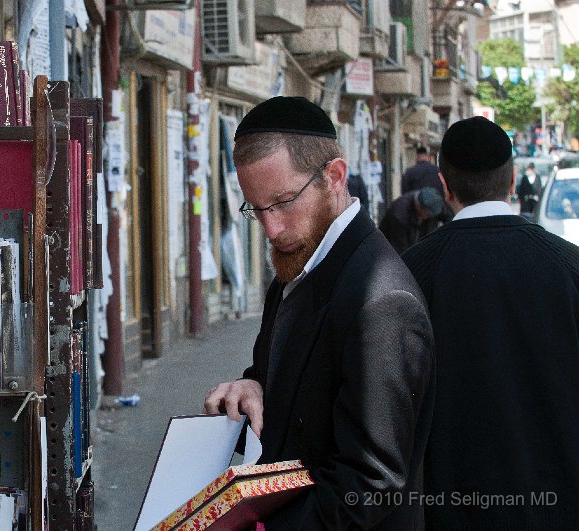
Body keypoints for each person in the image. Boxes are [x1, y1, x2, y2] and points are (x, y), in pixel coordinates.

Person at [203, 96, 435, 529]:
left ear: (335, 176)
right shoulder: (301, 265)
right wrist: (252, 385)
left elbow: (369, 484)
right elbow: (290, 381)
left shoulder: (382, 302)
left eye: (284, 202)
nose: (272, 229)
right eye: (257, 209)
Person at [402, 116, 579, 529]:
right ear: (514, 180)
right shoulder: (568, 266)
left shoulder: (409, 272)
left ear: (445, 187)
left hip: (450, 510)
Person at [379, 186, 445, 254]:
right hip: (390, 251)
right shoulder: (400, 215)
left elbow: (446, 216)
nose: (429, 217)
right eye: (427, 214)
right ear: (418, 207)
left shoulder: (433, 202)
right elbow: (401, 249)